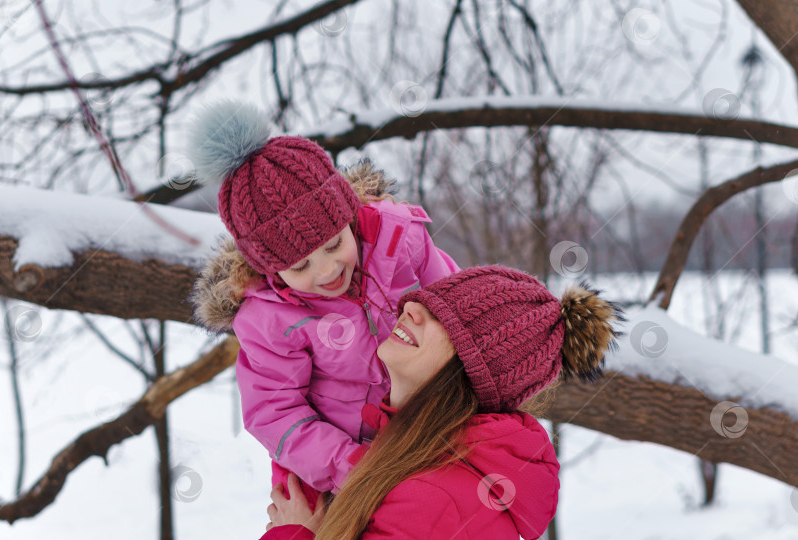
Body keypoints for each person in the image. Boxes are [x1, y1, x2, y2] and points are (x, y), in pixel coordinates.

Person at [187, 100, 460, 509]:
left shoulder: (401, 242)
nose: (328, 270)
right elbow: (275, 410)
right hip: (334, 469)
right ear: (271, 270)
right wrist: (351, 465)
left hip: (428, 423)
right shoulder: (269, 319)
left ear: (349, 217)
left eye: (334, 244)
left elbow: (458, 307)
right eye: (300, 266)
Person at [260, 265, 624, 539]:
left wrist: (294, 534)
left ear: (470, 373)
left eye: (444, 320)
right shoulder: (407, 454)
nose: (412, 308)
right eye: (426, 300)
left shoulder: (433, 501)